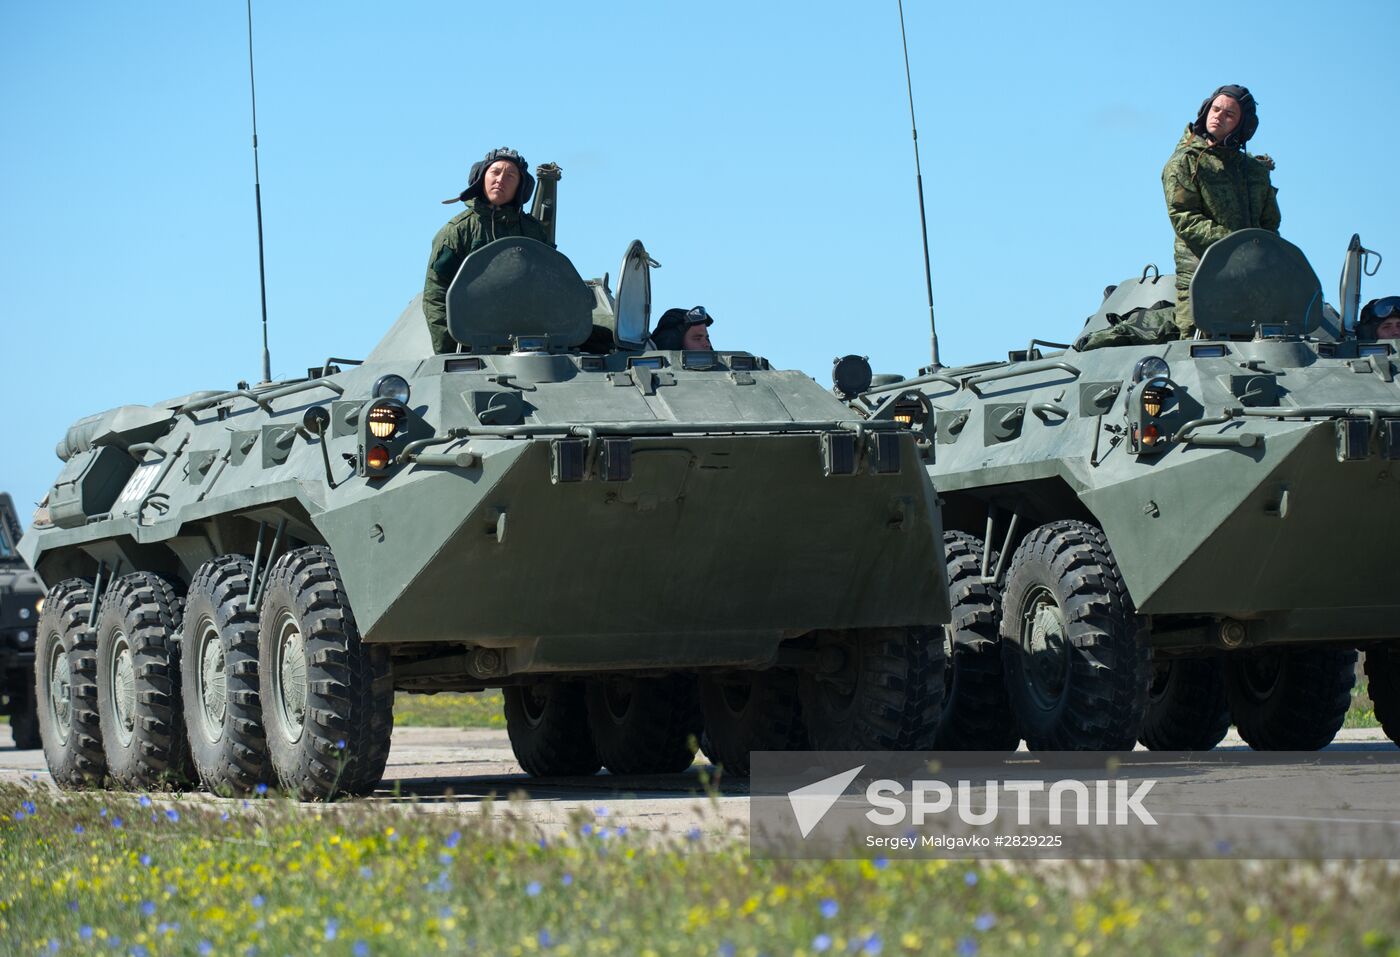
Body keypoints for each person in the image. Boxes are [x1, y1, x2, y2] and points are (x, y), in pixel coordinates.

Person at [1162, 85, 1281, 338]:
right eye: (1215, 109)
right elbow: (1184, 219)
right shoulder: (1186, 162)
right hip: (1202, 276)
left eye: (1229, 114)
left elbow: (1270, 224)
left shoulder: (1255, 172)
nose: (1218, 116)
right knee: (1198, 349)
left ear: (1243, 125)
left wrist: (1263, 258)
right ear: (1205, 110)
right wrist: (1234, 243)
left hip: (1252, 279)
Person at [423, 147, 550, 353]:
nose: (501, 180)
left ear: (520, 186)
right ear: (481, 177)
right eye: (495, 172)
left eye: (510, 176)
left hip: (527, 344)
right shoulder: (457, 231)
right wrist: (449, 352)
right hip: (471, 343)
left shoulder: (532, 232)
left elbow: (553, 284)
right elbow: (436, 294)